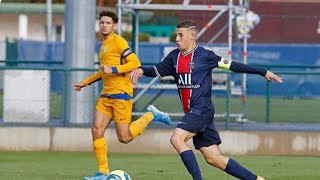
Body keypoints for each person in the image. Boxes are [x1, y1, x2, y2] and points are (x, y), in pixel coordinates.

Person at [130, 20, 283, 180]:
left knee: (177, 138)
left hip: (201, 110)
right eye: (176, 35)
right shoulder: (173, 57)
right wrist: (141, 70)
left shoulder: (205, 56)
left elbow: (232, 66)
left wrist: (262, 71)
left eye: (181, 35)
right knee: (213, 158)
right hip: (196, 113)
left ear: (192, 36)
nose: (177, 39)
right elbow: (156, 70)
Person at [73, 11, 172, 180]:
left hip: (121, 95)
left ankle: (151, 115)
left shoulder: (119, 42)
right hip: (106, 96)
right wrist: (86, 82)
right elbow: (103, 71)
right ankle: (103, 173)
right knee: (97, 130)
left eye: (108, 23)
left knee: (124, 138)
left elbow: (135, 63)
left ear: (115, 26)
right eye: (102, 22)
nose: (104, 25)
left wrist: (114, 69)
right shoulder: (103, 45)